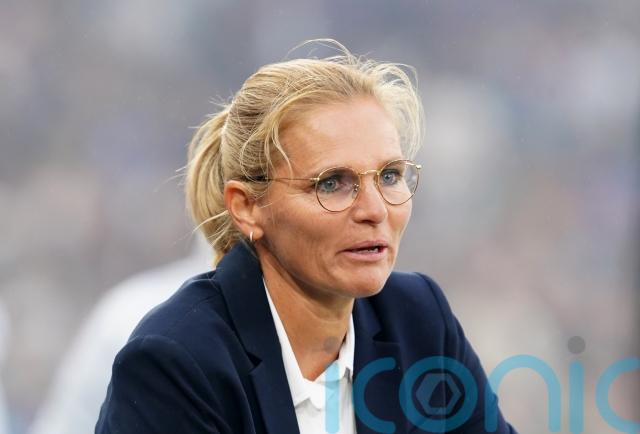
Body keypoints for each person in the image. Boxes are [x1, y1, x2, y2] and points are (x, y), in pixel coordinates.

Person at [96, 41, 517, 433]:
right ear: (247, 206)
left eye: (390, 176)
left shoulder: (419, 319)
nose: (374, 210)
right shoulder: (176, 363)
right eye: (332, 183)